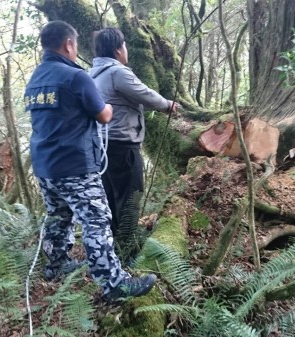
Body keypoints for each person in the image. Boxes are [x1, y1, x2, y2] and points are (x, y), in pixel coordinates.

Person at [24, 20, 156, 300]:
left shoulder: (36, 78)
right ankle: (115, 284)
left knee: (59, 217)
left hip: (45, 166)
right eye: (74, 46)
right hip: (75, 165)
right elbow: (104, 115)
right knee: (97, 221)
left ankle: (55, 266)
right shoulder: (75, 77)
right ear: (69, 44)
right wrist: (107, 106)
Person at [89, 28, 180, 264]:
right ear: (118, 49)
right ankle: (127, 253)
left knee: (112, 197)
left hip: (104, 146)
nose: (127, 50)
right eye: (125, 45)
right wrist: (167, 104)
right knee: (131, 195)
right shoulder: (117, 72)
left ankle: (114, 248)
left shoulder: (94, 73)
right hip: (123, 145)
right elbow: (145, 94)